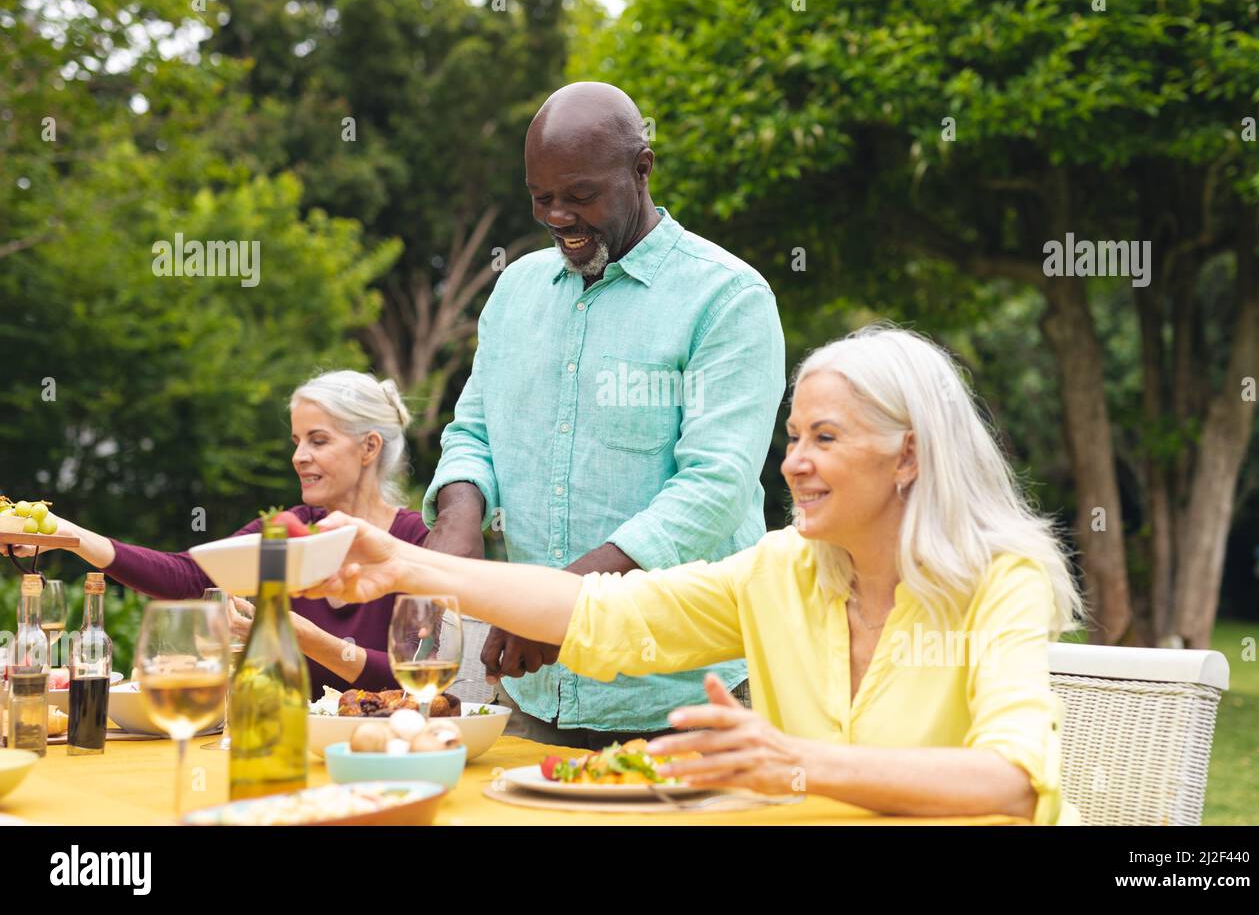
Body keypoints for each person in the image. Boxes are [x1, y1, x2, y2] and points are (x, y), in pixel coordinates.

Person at [307, 325, 1082, 823]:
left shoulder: (997, 578)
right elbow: (601, 614)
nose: (794, 463)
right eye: (793, 435)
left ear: (908, 454)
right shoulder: (781, 570)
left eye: (825, 437)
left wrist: (791, 762)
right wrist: (408, 562)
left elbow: (1011, 780)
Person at [421, 81, 785, 746]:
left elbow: (712, 490)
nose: (559, 216)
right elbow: (474, 431)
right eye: (542, 198)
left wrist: (564, 608)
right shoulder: (516, 291)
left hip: (689, 698)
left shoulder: (728, 298)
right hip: (537, 700)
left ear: (641, 171)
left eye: (581, 196)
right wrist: (457, 518)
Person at [40, 370, 426, 699]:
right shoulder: (287, 529)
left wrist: (306, 637)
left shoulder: (417, 540)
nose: (298, 456)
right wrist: (69, 534)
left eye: (318, 440)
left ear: (369, 447)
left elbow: (418, 676)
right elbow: (189, 576)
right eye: (296, 442)